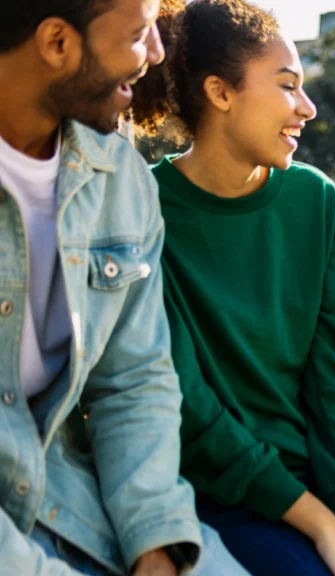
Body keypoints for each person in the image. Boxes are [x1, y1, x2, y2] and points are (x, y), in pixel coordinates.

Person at [127, 1, 335, 575]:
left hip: (319, 487)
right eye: (287, 87)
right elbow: (186, 405)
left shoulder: (317, 201)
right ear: (220, 92)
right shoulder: (142, 209)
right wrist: (320, 524)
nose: (306, 108)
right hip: (218, 491)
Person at [0, 0, 249, 574]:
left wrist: (157, 542)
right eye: (139, 35)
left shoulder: (122, 177)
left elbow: (133, 380)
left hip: (81, 500)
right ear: (58, 43)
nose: (158, 53)